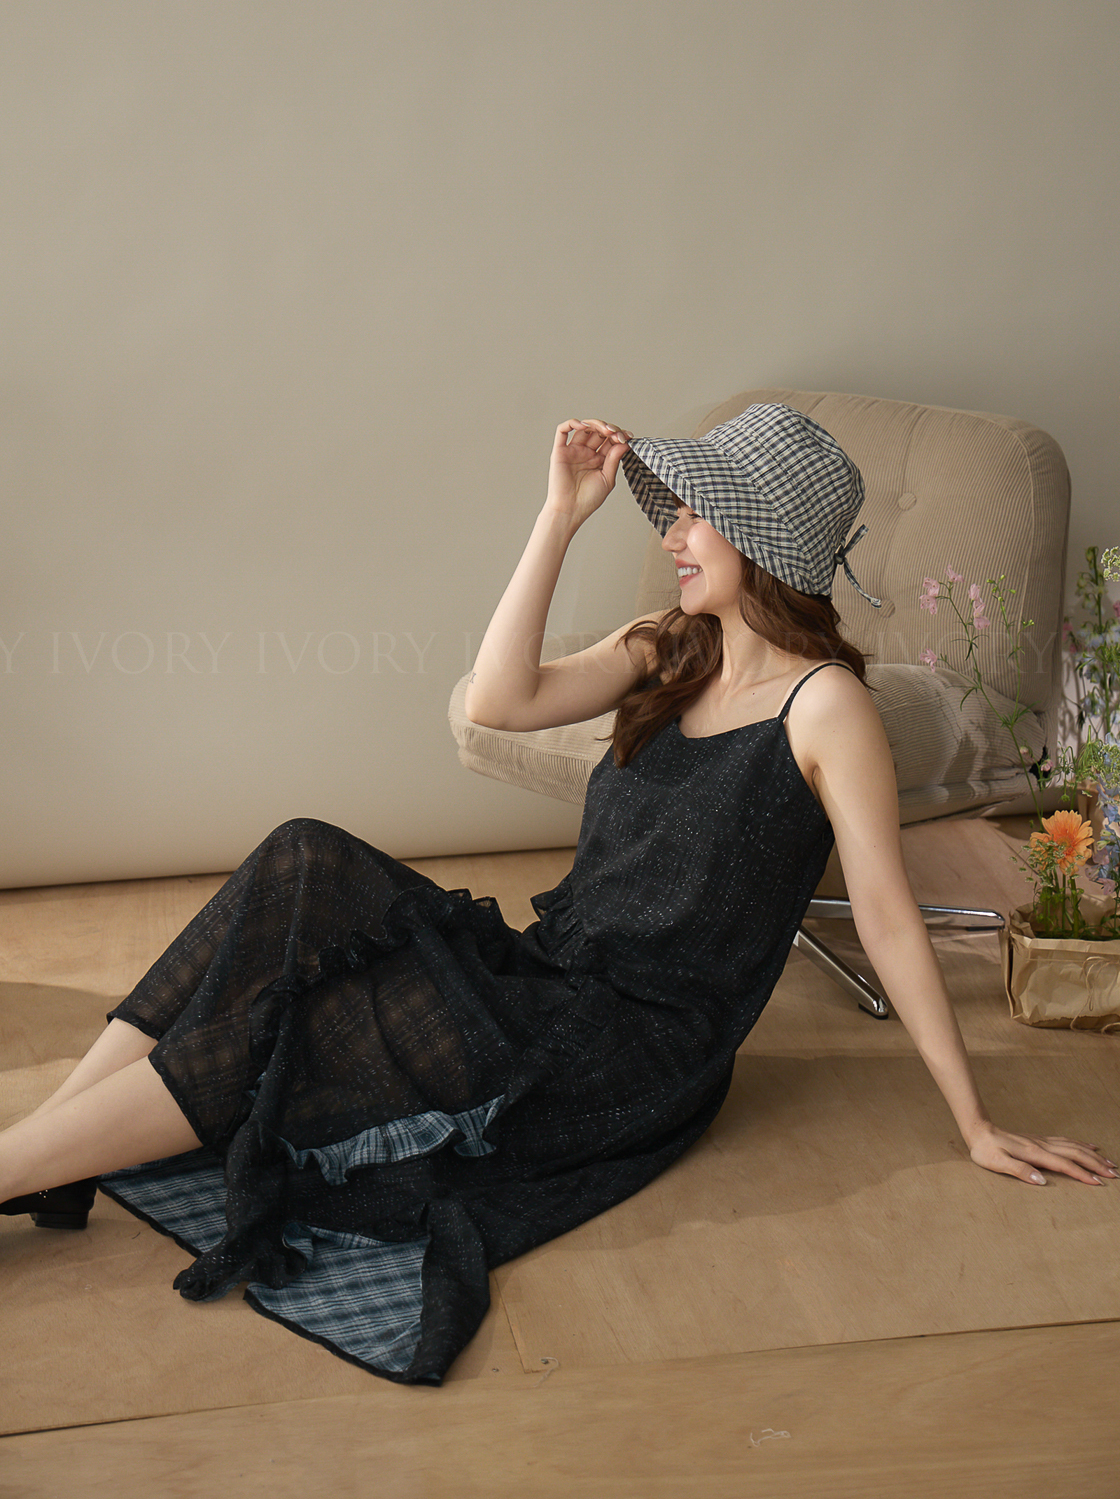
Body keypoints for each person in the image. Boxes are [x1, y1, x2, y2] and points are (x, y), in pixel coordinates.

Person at [2, 405, 1114, 1385]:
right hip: (545, 972)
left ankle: (22, 1163)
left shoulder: (826, 709)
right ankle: (42, 1151)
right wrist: (558, 516)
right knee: (304, 857)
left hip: (625, 1045)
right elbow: (498, 700)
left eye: (696, 516)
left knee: (312, 1025)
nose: (671, 535)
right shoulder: (669, 648)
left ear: (764, 538)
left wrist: (973, 1121)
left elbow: (885, 917)